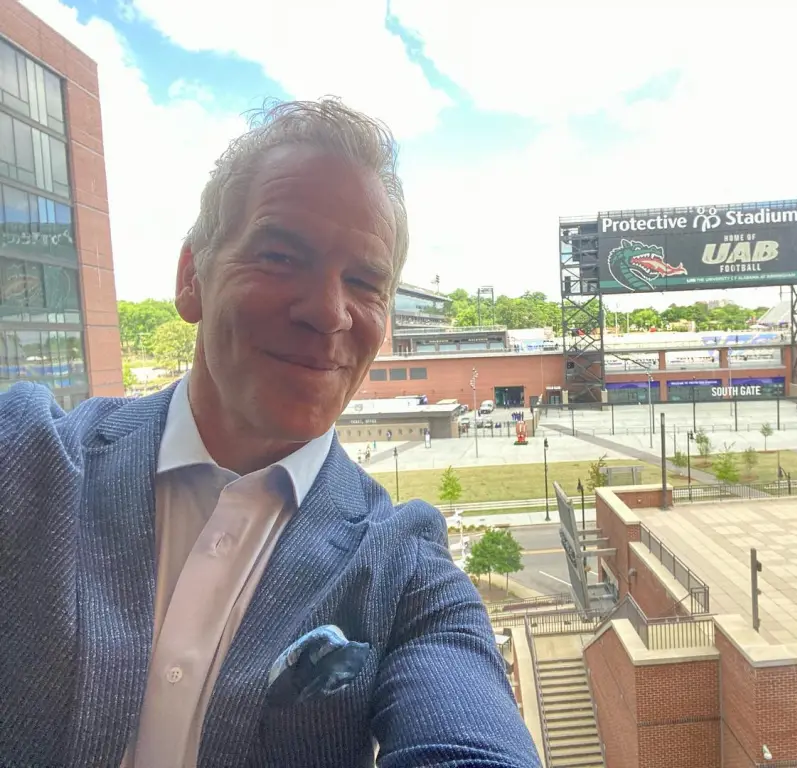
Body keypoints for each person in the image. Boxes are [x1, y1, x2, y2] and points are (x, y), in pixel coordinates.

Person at [0, 98, 539, 768]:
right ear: (190, 278)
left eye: (365, 282)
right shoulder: (26, 459)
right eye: (282, 256)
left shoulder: (406, 574)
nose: (327, 311)